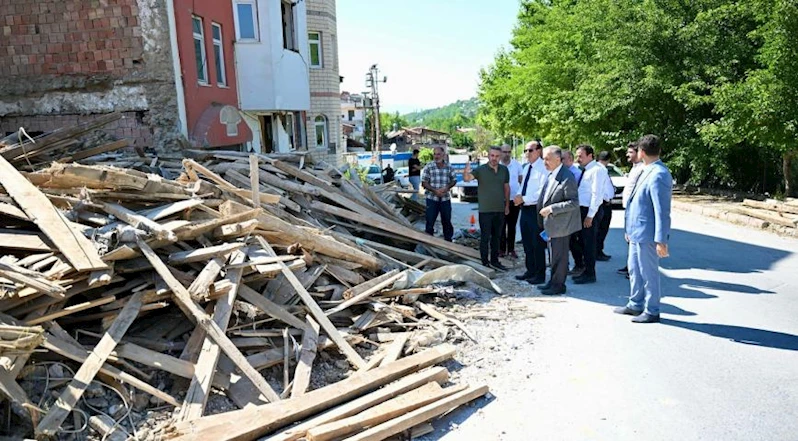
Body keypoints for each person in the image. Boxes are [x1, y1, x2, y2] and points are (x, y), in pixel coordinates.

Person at [614, 134, 672, 323]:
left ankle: (652, 310)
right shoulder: (645, 170)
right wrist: (629, 229)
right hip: (636, 232)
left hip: (647, 235)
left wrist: (661, 240)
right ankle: (635, 303)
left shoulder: (659, 174)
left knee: (649, 273)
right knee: (635, 270)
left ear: (642, 152)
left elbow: (661, 211)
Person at [536, 146, 581, 295]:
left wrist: (552, 209)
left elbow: (573, 202)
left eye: (547, 159)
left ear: (557, 158)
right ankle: (553, 281)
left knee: (560, 257)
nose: (544, 162)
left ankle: (558, 285)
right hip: (551, 225)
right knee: (553, 256)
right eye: (544, 158)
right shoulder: (552, 174)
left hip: (561, 225)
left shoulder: (567, 176)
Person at [464, 146, 510, 271]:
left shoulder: (504, 170)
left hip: (499, 209)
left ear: (500, 157)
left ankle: (495, 261)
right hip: (485, 210)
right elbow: (467, 179)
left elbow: (506, 188)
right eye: (492, 155)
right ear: (488, 156)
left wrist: (507, 205)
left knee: (497, 237)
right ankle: (485, 262)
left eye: (497, 156)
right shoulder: (481, 170)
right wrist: (466, 170)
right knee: (485, 237)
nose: (494, 158)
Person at [569, 144, 604, 284]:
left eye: (580, 156)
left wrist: (590, 215)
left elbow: (597, 194)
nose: (578, 159)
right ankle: (585, 269)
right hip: (582, 210)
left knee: (589, 243)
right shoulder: (586, 170)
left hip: (590, 211)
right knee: (582, 241)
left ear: (590, 155)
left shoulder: (596, 170)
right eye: (577, 156)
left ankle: (590, 273)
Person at [513, 140, 548, 284]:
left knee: (537, 243)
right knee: (527, 241)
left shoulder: (544, 168)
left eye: (530, 150)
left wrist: (524, 199)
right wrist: (519, 197)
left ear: (539, 151)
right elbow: (523, 186)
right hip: (525, 208)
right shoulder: (527, 167)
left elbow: (542, 192)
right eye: (525, 151)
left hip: (536, 209)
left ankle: (540, 274)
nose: (527, 153)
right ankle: (530, 270)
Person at [618, 142, 644, 277]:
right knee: (629, 239)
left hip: (635, 209)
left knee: (634, 239)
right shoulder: (634, 168)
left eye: (631, 152)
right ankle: (630, 265)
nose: (627, 155)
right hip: (628, 208)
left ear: (639, 153)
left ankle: (635, 269)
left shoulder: (642, 169)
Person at [421, 146, 457, 242]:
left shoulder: (449, 167)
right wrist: (435, 191)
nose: (436, 156)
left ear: (443, 155)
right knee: (430, 221)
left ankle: (448, 242)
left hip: (445, 199)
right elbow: (424, 182)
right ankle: (429, 242)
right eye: (435, 154)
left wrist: (447, 188)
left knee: (447, 221)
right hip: (432, 199)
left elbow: (454, 180)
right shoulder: (429, 167)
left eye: (438, 154)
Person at [500, 144, 524, 258]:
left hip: (514, 200)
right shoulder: (497, 165)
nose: (507, 154)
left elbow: (521, 181)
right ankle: (501, 249)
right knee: (500, 225)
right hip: (500, 200)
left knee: (512, 226)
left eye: (509, 152)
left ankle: (511, 249)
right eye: (504, 152)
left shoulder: (517, 165)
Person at [596, 151, 616, 261]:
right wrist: (607, 198)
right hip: (604, 203)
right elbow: (604, 189)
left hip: (602, 203)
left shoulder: (596, 168)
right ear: (608, 160)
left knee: (599, 229)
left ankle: (598, 250)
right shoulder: (602, 170)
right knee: (602, 228)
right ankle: (598, 251)